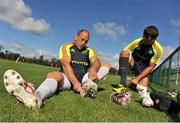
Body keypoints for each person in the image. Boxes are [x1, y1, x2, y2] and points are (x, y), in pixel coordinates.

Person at [3, 29, 112, 108]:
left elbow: (96, 62)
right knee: (52, 75)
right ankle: (36, 96)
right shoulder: (66, 47)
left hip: (84, 78)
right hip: (68, 78)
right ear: (76, 37)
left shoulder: (89, 50)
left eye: (86, 41)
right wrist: (75, 83)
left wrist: (93, 69)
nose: (84, 43)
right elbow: (65, 64)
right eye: (82, 39)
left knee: (107, 65)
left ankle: (87, 85)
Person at [114, 25, 163, 107]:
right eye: (143, 36)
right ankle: (122, 85)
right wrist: (122, 67)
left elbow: (151, 67)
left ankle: (137, 88)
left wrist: (137, 79)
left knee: (142, 92)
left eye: (146, 38)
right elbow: (124, 52)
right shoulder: (138, 41)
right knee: (125, 52)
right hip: (132, 64)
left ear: (153, 39)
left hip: (143, 70)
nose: (143, 39)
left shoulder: (158, 49)